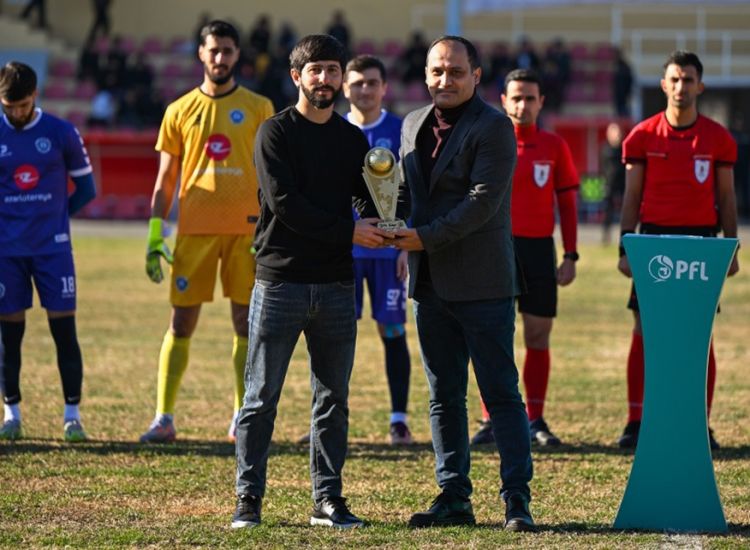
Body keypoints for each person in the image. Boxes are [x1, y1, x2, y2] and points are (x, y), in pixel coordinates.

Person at [231, 34, 389, 530]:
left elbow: (365, 201)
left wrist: (387, 215)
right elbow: (286, 206)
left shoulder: (351, 139)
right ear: (296, 77)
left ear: (342, 79)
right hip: (281, 282)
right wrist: (351, 229)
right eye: (314, 70)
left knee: (333, 401)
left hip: (337, 286)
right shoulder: (274, 133)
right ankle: (248, 500)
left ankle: (327, 500)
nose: (325, 79)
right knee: (260, 398)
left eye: (332, 70)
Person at [393, 36, 535, 532]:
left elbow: (481, 204)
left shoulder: (495, 127)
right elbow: (405, 193)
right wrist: (388, 226)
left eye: (455, 72)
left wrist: (418, 239)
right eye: (436, 71)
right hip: (428, 285)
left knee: (500, 394)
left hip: (483, 283)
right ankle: (454, 495)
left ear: (476, 76)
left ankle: (517, 499)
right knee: (443, 395)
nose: (444, 80)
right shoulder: (410, 124)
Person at [138, 20, 274, 444]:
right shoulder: (178, 110)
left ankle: (241, 415)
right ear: (201, 53)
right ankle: (164, 417)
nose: (220, 58)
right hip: (194, 233)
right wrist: (156, 232)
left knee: (245, 324)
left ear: (238, 55)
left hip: (246, 234)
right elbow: (164, 179)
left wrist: (270, 228)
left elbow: (274, 176)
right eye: (213, 50)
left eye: (228, 51)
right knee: (181, 323)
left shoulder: (259, 107)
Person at [617, 50, 739, 449]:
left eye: (689, 80)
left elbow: (726, 195)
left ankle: (699, 424)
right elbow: (631, 195)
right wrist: (625, 245)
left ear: (700, 86)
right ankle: (636, 420)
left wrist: (731, 247)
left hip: (702, 241)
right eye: (675, 78)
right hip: (653, 239)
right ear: (663, 84)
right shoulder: (642, 136)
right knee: (644, 330)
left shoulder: (718, 139)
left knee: (699, 336)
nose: (682, 86)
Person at [470, 68, 579, 448]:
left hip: (537, 250)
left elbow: (566, 202)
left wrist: (570, 254)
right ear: (503, 101)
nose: (522, 104)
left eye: (530, 98)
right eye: (515, 97)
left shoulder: (555, 146)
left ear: (541, 102)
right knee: (492, 336)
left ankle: (535, 418)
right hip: (494, 246)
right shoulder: (488, 142)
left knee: (537, 335)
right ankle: (489, 419)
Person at [0, 61, 96, 441]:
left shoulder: (61, 132)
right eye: (9, 106)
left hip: (53, 252)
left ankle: (72, 416)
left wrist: (57, 219)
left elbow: (87, 190)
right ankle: (12, 414)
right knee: (9, 337)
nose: (17, 112)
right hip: (6, 253)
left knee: (64, 332)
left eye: (22, 105)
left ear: (35, 96)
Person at [344, 55, 413, 444]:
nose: (365, 90)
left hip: (388, 252)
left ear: (384, 87)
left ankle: (399, 419)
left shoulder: (401, 131)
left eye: (372, 82)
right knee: (335, 337)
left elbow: (413, 192)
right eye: (357, 83)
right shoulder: (333, 129)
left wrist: (406, 245)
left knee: (393, 331)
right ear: (344, 88)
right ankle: (330, 417)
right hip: (344, 252)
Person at [601, 121, 626, 244]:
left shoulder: (624, 148)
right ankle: (606, 236)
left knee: (625, 210)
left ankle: (625, 236)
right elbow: (603, 168)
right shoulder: (606, 149)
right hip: (610, 183)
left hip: (622, 183)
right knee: (608, 211)